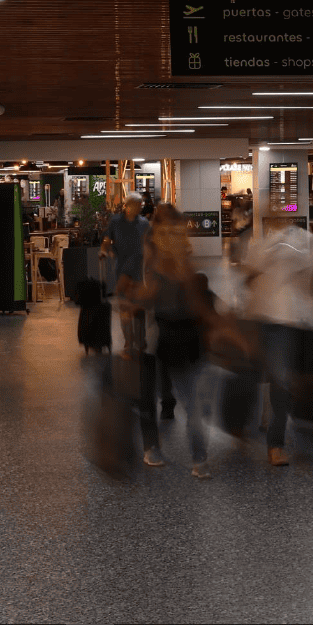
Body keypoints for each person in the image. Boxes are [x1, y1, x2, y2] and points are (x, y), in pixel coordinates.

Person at [123, 204, 232, 478]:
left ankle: (193, 456)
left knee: (180, 399)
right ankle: (166, 451)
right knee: (158, 396)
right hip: (157, 336)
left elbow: (192, 295)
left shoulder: (176, 256)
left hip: (172, 337)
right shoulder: (150, 255)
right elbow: (138, 293)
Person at [240, 212, 313, 467]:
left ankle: (272, 426)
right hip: (276, 321)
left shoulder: (301, 243)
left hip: (293, 320)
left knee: (284, 379)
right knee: (279, 380)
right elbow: (248, 280)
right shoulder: (265, 246)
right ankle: (275, 443)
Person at [101, 192, 150, 297]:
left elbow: (148, 243)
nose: (139, 208)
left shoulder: (144, 222)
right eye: (136, 205)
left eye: (140, 205)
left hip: (138, 265)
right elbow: (107, 239)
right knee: (124, 296)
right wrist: (104, 250)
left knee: (138, 299)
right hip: (122, 264)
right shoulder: (116, 221)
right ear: (127, 205)